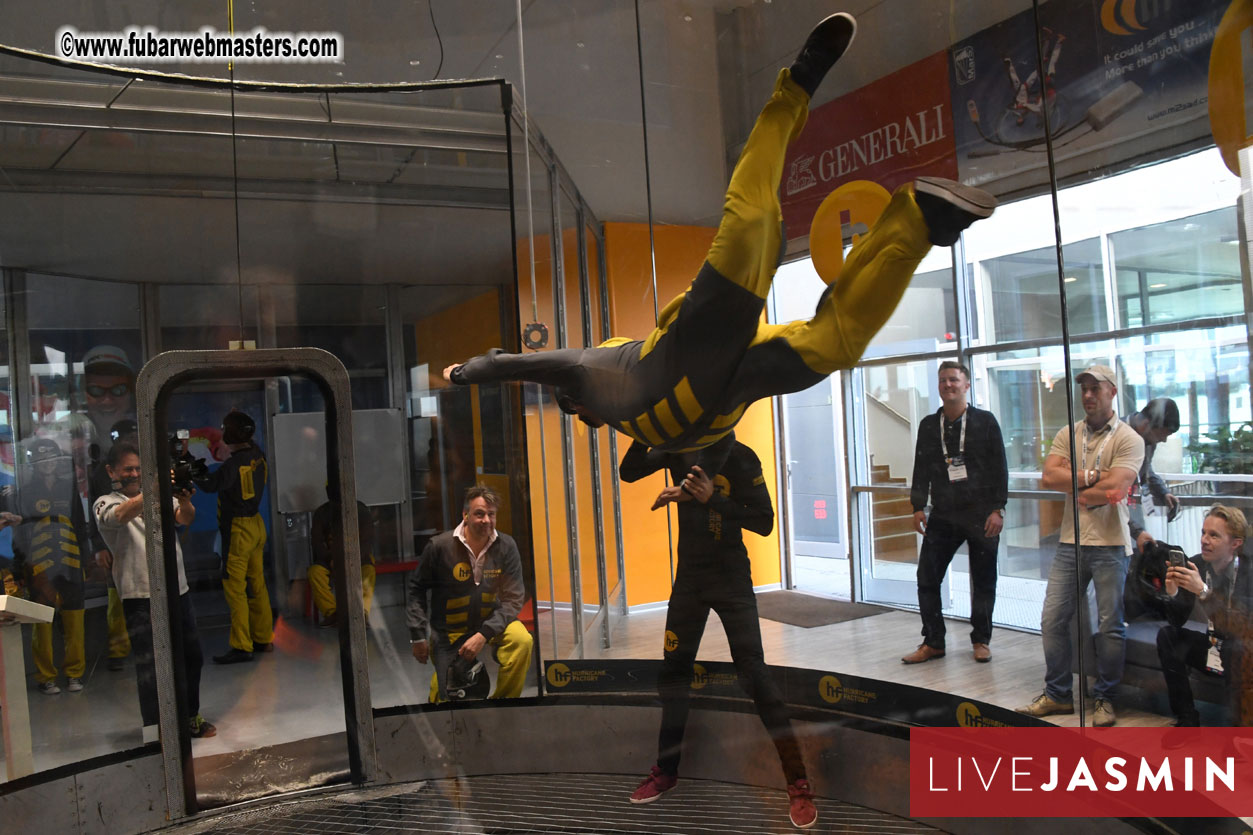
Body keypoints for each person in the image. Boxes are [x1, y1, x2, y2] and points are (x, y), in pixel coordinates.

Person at [442, 12, 996, 471]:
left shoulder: (597, 374)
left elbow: (540, 365)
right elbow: (632, 468)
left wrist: (473, 370)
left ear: (577, 402)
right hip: (737, 379)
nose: (580, 414)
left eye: (575, 408)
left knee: (754, 225)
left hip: (696, 345)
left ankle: (795, 87)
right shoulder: (644, 432)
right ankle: (922, 221)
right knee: (836, 345)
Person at [619, 437, 818, 830]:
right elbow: (628, 472)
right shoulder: (678, 449)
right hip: (690, 580)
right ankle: (667, 771)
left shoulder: (742, 456)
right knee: (673, 674)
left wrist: (712, 499)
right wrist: (647, 426)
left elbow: (764, 521)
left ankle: (798, 784)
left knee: (755, 675)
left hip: (731, 581)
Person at [1017, 364, 1144, 727]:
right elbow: (1048, 477)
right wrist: (1093, 477)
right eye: (1084, 389)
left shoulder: (1129, 439)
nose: (1088, 395)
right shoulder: (1067, 434)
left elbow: (1114, 491)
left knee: (1110, 626)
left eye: (1095, 388)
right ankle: (1057, 695)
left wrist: (1078, 483)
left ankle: (1105, 698)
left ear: (1112, 392)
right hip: (1069, 543)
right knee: (1052, 619)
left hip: (1110, 546)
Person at [94, 441, 216, 741]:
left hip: (178, 590)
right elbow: (119, 517)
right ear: (111, 471)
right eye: (128, 469)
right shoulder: (105, 502)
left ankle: (190, 717)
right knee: (150, 667)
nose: (135, 474)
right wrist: (156, 488)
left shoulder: (161, 495)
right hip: (139, 596)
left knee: (191, 657)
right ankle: (154, 730)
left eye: (139, 468)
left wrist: (185, 500)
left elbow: (184, 518)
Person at [902, 361, 1007, 665]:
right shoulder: (928, 425)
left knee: (985, 580)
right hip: (944, 515)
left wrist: (998, 509)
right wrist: (917, 506)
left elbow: (1000, 468)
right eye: (943, 381)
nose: (948, 385)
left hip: (982, 515)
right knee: (926, 577)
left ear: (966, 385)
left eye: (954, 380)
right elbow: (921, 467)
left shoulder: (985, 422)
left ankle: (981, 640)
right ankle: (933, 641)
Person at [406, 485, 532, 702]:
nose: (486, 520)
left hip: (490, 622)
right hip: (449, 629)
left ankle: (504, 705)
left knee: (522, 641)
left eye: (491, 515)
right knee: (446, 697)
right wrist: (417, 636)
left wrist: (483, 634)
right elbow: (416, 590)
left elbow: (513, 599)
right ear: (465, 515)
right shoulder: (439, 546)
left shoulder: (506, 546)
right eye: (479, 514)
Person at [5, 438, 89, 695]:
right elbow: (19, 534)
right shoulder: (24, 492)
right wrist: (20, 567)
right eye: (41, 460)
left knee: (75, 619)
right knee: (43, 621)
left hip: (70, 561)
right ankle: (46, 676)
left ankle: (75, 674)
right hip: (38, 565)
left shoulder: (68, 487)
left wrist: (86, 559)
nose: (48, 464)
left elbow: (80, 524)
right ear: (32, 463)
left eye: (52, 458)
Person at [1156, 504, 1251, 727]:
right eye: (1203, 533)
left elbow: (1243, 627)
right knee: (1168, 636)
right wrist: (1172, 593)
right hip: (1215, 645)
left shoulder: (1248, 572)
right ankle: (1187, 719)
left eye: (1214, 535)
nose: (1204, 540)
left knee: (1236, 647)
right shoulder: (1197, 565)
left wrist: (1203, 592)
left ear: (1235, 544)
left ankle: (1239, 730)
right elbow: (1176, 620)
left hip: (1244, 652)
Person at [194, 409, 274, 664]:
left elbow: (210, 485)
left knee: (235, 588)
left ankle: (242, 645)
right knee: (257, 584)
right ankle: (263, 638)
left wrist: (193, 470)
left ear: (234, 433)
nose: (222, 431)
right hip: (256, 525)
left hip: (238, 530)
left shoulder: (234, 464)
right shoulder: (257, 456)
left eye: (225, 428)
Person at [309, 488, 376, 627]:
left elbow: (366, 542)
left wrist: (352, 561)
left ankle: (362, 612)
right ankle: (332, 613)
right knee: (315, 573)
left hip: (359, 558)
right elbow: (317, 543)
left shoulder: (362, 511)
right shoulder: (321, 513)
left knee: (369, 571)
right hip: (331, 559)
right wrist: (332, 559)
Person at [1126, 397, 1182, 554]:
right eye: (1161, 435)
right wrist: (1136, 531)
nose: (1163, 440)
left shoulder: (1148, 440)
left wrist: (1163, 492)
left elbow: (1146, 469)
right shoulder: (1116, 434)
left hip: (1133, 519)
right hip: (1111, 526)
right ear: (1146, 425)